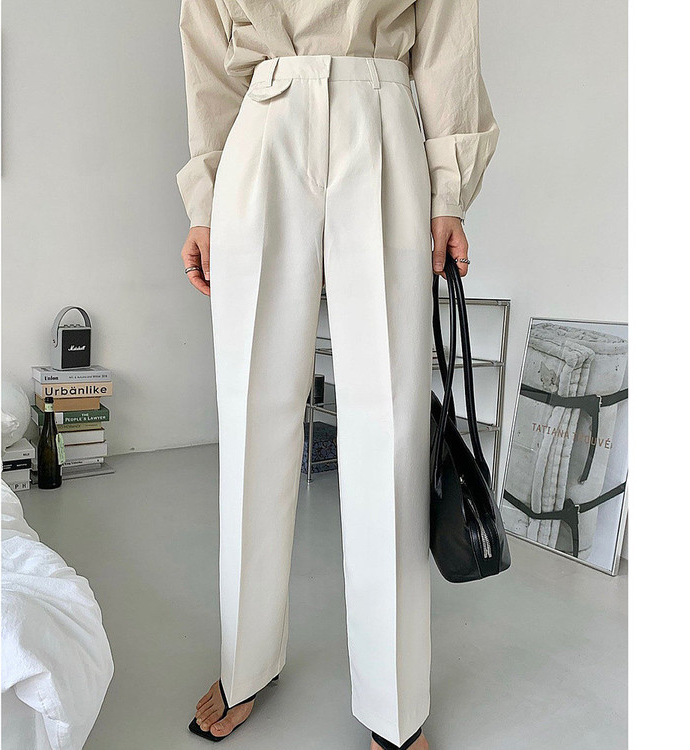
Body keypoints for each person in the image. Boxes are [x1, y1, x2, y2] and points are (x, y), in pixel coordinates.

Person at [177, 2, 498, 748]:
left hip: (381, 110)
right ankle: (245, 662)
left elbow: (447, 36)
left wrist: (448, 190)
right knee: (253, 409)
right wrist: (205, 201)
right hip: (263, 119)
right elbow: (207, 53)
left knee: (390, 420)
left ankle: (395, 702)